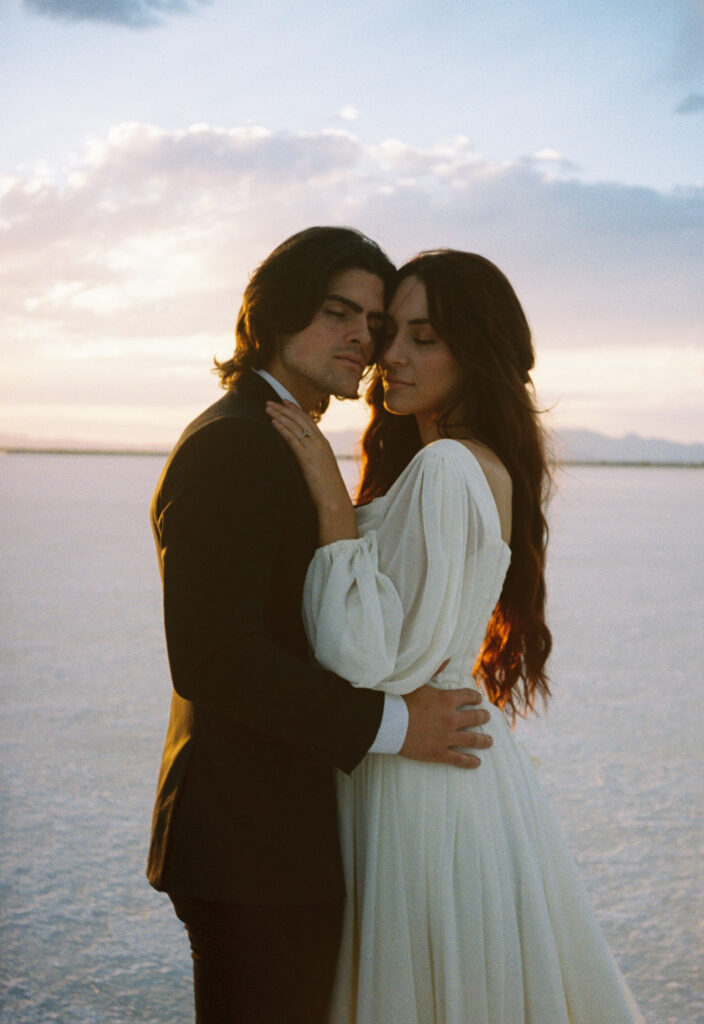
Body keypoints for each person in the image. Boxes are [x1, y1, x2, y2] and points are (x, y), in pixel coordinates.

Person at [266, 249, 645, 1024]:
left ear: (475, 350)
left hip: (419, 785)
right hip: (445, 771)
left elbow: (366, 662)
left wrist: (335, 514)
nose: (389, 354)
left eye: (423, 336)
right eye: (386, 330)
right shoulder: (465, 463)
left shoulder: (447, 469)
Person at [146, 228, 494, 1024]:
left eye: (374, 322)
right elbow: (212, 657)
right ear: (273, 313)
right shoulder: (231, 444)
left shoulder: (276, 436)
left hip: (281, 836)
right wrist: (393, 724)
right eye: (341, 313)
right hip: (247, 843)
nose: (364, 340)